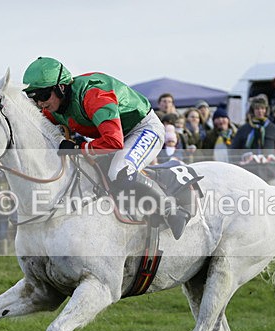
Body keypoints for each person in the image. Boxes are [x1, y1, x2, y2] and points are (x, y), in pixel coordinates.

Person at [22, 57, 189, 239]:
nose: (40, 103)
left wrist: (78, 147)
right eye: (34, 97)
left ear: (61, 88)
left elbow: (113, 142)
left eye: (43, 95)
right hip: (116, 134)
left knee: (119, 172)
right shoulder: (53, 107)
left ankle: (171, 208)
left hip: (143, 128)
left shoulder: (93, 95)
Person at [231, 95, 275, 185]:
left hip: (269, 173)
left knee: (269, 198)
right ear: (253, 110)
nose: (260, 111)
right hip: (248, 173)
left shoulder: (274, 128)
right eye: (257, 108)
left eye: (262, 108)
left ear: (266, 110)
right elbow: (234, 150)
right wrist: (240, 162)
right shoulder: (244, 129)